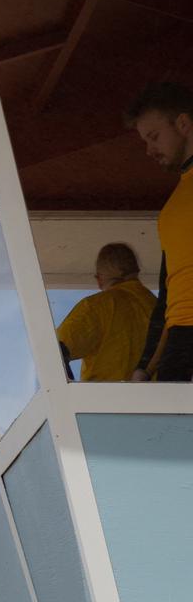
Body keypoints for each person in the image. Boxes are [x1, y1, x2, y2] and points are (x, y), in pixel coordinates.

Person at [126, 82, 193, 382]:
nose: (149, 150)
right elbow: (167, 294)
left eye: (154, 137)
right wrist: (145, 365)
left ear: (183, 124)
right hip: (179, 344)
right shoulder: (171, 209)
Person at [55, 243, 155, 382]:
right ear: (136, 271)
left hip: (106, 401)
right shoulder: (161, 309)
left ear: (99, 279)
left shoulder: (95, 307)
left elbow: (55, 352)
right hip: (162, 401)